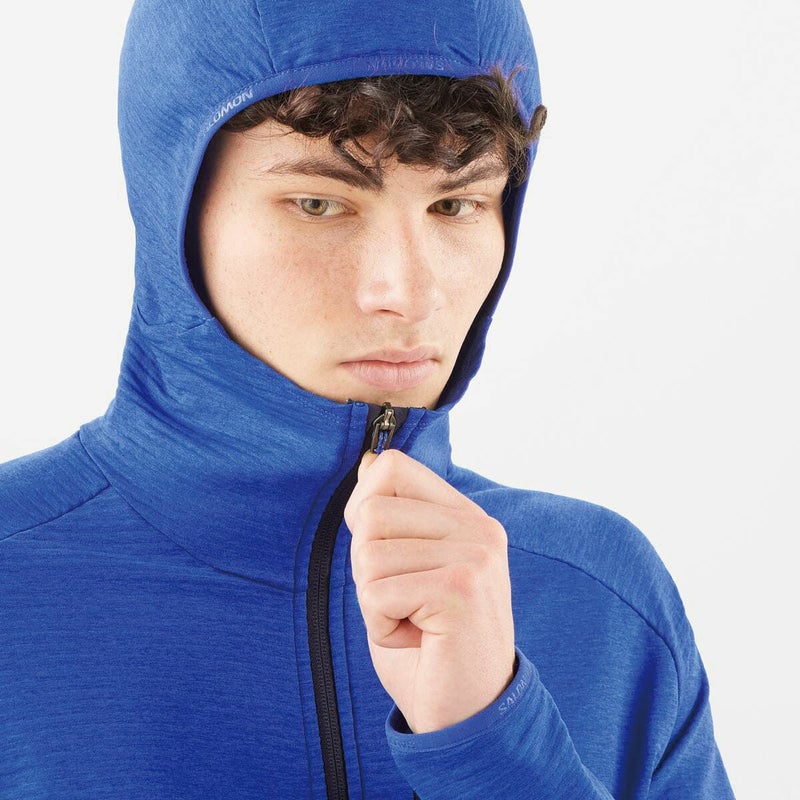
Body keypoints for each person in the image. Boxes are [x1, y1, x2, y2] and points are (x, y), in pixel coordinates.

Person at [0, 0, 735, 797]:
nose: (407, 291)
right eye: (319, 204)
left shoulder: (602, 597)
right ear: (172, 205)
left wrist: (495, 744)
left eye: (455, 204)